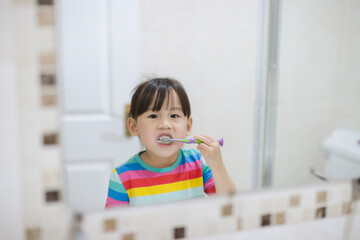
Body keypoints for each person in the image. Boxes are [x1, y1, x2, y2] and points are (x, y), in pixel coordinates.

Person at [105, 77, 236, 207]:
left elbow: (230, 204)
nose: (165, 124)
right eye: (153, 116)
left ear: (188, 127)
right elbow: (111, 226)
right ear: (134, 127)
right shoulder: (122, 177)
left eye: (174, 116)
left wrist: (217, 164)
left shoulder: (197, 163)